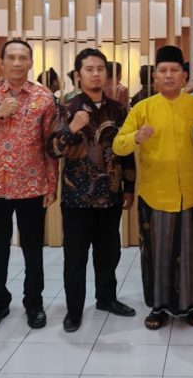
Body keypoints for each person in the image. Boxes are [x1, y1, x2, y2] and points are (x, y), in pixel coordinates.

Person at [0, 39, 58, 332]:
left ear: (31, 62)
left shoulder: (44, 97)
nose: (17, 63)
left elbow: (50, 145)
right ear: (1, 62)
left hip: (32, 186)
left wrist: (51, 184)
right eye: (11, 57)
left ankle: (34, 303)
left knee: (33, 250)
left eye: (22, 57)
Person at [113, 45, 193, 330]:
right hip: (155, 194)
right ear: (155, 77)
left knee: (190, 253)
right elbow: (118, 145)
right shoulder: (143, 108)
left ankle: (191, 305)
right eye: (163, 71)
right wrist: (136, 138)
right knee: (157, 253)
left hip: (191, 192)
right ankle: (158, 306)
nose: (168, 76)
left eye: (174, 70)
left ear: (183, 75)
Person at [48, 48, 137, 333]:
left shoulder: (118, 109)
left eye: (100, 69)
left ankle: (106, 299)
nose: (96, 74)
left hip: (110, 194)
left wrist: (129, 187)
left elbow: (126, 150)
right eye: (89, 69)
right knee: (75, 258)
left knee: (109, 253)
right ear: (78, 75)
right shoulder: (66, 108)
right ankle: (74, 311)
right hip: (78, 198)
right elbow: (53, 150)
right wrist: (72, 129)